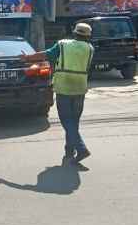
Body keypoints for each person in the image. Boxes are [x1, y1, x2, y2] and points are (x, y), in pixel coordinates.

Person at [20, 23, 95, 165]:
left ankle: (81, 148)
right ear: (88, 36)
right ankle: (69, 152)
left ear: (74, 33)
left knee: (66, 121)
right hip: (80, 87)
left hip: (64, 87)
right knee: (74, 122)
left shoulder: (63, 45)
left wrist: (28, 58)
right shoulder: (90, 49)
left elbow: (46, 54)